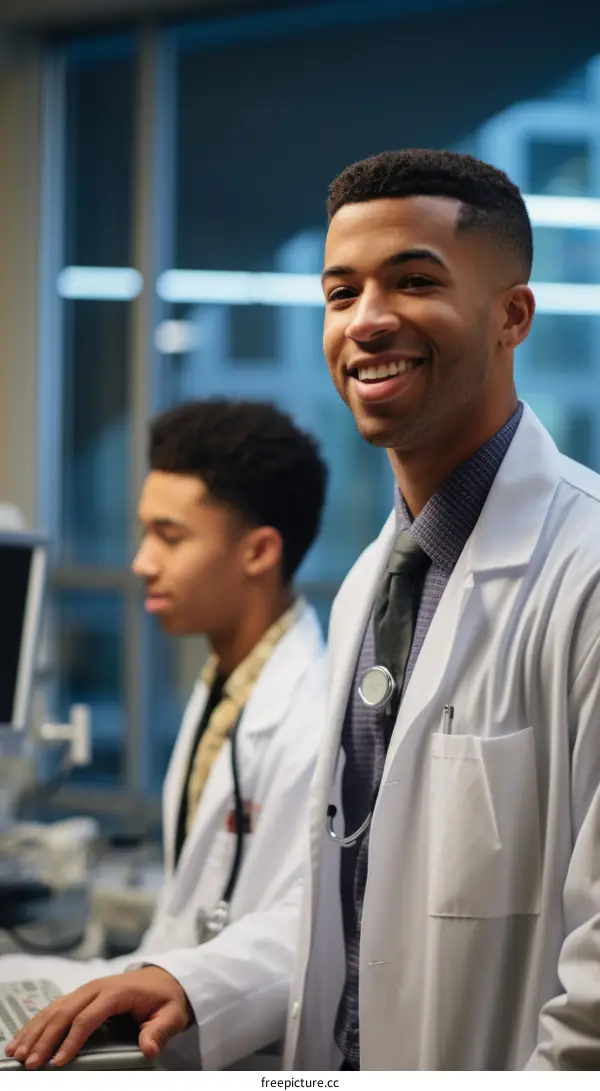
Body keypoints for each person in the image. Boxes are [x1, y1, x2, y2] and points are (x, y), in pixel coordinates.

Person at [282, 148, 600, 1071]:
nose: (368, 321)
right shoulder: (368, 592)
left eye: (413, 281)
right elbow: (345, 900)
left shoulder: (586, 573)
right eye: (341, 294)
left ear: (514, 315)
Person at [2, 398, 328, 1071]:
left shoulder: (317, 717)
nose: (141, 561)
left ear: (259, 550)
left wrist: (184, 979)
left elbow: (321, 928)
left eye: (169, 536)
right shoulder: (225, 684)